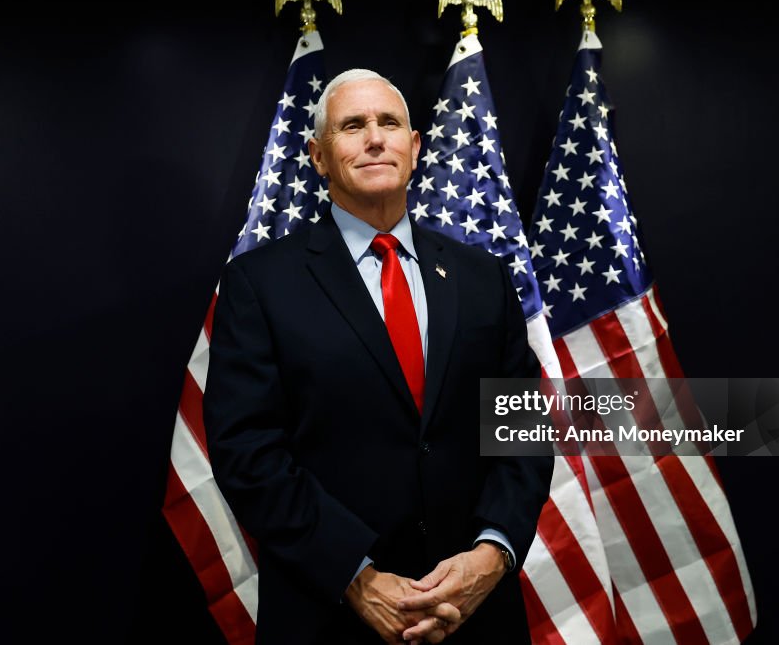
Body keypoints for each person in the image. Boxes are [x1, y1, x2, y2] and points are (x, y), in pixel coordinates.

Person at [204, 69, 552, 644]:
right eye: (352, 126)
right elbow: (247, 452)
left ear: (414, 149)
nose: (374, 138)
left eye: (389, 123)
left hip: (474, 614)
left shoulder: (482, 277)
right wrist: (356, 576)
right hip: (331, 615)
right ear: (318, 156)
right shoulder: (259, 284)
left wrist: (491, 555)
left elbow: (520, 429)